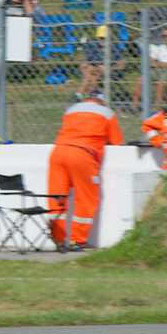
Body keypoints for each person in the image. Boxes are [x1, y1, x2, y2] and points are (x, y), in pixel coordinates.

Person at [46, 92, 124, 249]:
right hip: (83, 155)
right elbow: (117, 143)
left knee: (57, 197)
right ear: (101, 101)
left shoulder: (71, 110)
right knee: (86, 198)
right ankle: (77, 239)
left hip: (58, 152)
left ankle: (58, 238)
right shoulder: (106, 113)